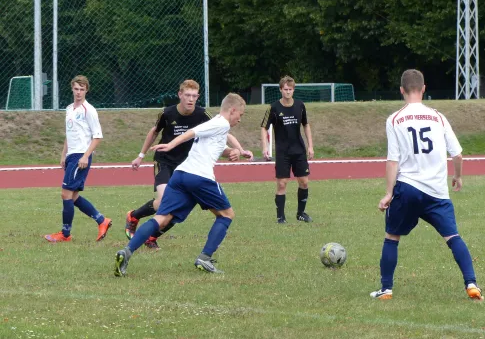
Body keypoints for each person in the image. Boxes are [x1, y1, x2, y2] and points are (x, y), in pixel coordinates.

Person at [370, 69, 482, 300]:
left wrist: (388, 193)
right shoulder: (439, 117)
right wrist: (458, 177)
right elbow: (458, 154)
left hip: (408, 188)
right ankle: (471, 284)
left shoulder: (395, 119)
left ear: (401, 90)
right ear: (424, 89)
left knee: (392, 236)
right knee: (453, 238)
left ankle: (386, 289)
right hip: (437, 192)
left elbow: (393, 160)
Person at [114, 93, 249, 276]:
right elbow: (191, 133)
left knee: (162, 218)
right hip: (200, 177)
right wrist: (170, 145)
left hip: (181, 175)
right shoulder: (222, 123)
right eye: (240, 115)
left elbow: (213, 146)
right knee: (226, 215)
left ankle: (126, 252)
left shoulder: (216, 124)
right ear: (232, 110)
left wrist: (233, 152)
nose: (239, 120)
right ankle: (205, 258)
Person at [44, 75, 112, 243]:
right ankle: (102, 220)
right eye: (76, 88)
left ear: (86, 90)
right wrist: (63, 154)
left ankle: (65, 234)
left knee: (65, 194)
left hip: (81, 155)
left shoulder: (89, 110)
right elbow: (69, 134)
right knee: (72, 197)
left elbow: (97, 136)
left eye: (82, 89)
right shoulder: (69, 109)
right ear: (72, 88)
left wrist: (85, 156)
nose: (79, 92)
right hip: (71, 155)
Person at [260, 76, 314, 224]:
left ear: (293, 90)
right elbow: (264, 128)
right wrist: (265, 147)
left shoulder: (300, 105)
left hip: (299, 150)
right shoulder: (274, 107)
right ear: (280, 90)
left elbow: (306, 125)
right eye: (285, 89)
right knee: (282, 183)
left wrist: (310, 146)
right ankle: (280, 217)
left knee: (304, 182)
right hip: (283, 152)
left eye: (290, 89)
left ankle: (301, 213)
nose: (288, 92)